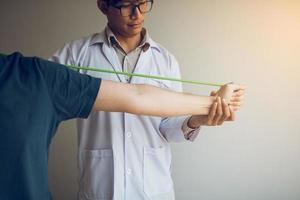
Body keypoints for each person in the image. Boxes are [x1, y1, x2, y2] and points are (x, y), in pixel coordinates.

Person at [50, 0, 245, 199]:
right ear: (103, 5)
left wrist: (197, 119)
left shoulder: (165, 60)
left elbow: (168, 128)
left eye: (143, 3)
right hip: (101, 187)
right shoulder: (76, 55)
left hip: (153, 189)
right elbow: (41, 91)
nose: (137, 14)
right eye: (126, 5)